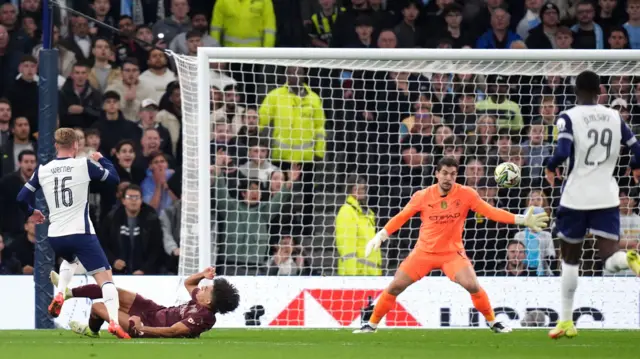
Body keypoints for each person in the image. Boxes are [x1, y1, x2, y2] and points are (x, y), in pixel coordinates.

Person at [353, 156, 549, 334]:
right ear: (437, 174)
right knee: (395, 286)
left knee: (472, 285)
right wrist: (381, 235)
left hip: (452, 254)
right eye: (444, 173)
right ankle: (371, 324)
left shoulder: (466, 194)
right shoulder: (422, 196)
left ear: (457, 175)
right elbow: (402, 217)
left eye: (453, 174)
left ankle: (492, 322)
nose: (448, 178)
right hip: (423, 253)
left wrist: (521, 219)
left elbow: (491, 211)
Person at [545, 70, 640, 339]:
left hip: (576, 196)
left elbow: (562, 151)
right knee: (609, 257)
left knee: (570, 260)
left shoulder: (569, 117)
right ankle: (629, 258)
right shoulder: (614, 116)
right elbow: (637, 148)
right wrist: (635, 167)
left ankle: (565, 322)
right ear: (600, 90)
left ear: (576, 91)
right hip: (607, 196)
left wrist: (549, 167)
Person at [15, 128, 129, 339]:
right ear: (76, 145)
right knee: (106, 280)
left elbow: (21, 198)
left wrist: (33, 213)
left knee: (71, 258)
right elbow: (114, 179)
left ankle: (59, 293)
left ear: (56, 146)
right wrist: (102, 159)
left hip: (56, 235)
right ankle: (113, 322)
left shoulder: (43, 169)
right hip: (81, 233)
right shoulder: (83, 164)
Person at [53, 267, 239, 338]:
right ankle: (68, 292)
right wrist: (202, 275)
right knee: (111, 290)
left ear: (209, 301)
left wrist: (142, 328)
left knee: (98, 307)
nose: (204, 287)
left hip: (148, 325)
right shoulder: (200, 301)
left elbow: (173, 331)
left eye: (208, 288)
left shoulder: (203, 316)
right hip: (153, 310)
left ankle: (92, 331)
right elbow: (189, 282)